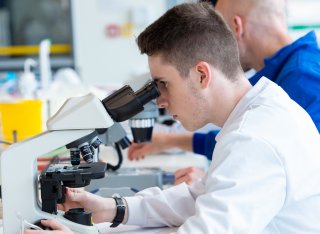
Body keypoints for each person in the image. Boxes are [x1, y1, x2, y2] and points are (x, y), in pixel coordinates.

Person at [25, 3, 320, 233]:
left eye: (163, 84)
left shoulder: (254, 139)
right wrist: (113, 208)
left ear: (202, 74)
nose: (161, 101)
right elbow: (199, 198)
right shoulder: (259, 111)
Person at [127, 0, 320, 185]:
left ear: (236, 28)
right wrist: (170, 141)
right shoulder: (274, 75)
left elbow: (270, 160)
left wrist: (212, 185)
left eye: (221, 30)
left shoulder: (303, 79)